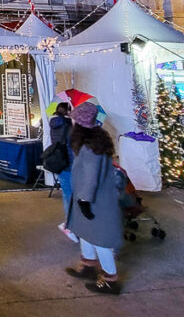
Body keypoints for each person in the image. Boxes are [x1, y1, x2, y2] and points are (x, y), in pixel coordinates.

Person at [64, 102, 123, 295]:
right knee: (86, 232)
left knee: (100, 239)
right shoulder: (96, 140)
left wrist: (84, 200)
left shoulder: (89, 148)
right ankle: (88, 265)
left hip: (94, 200)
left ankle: (110, 279)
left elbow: (91, 176)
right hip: (91, 197)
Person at [47, 102, 76, 239]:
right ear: (68, 110)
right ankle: (72, 224)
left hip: (59, 162)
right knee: (73, 195)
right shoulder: (69, 125)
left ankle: (68, 223)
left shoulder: (53, 123)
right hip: (70, 162)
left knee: (66, 194)